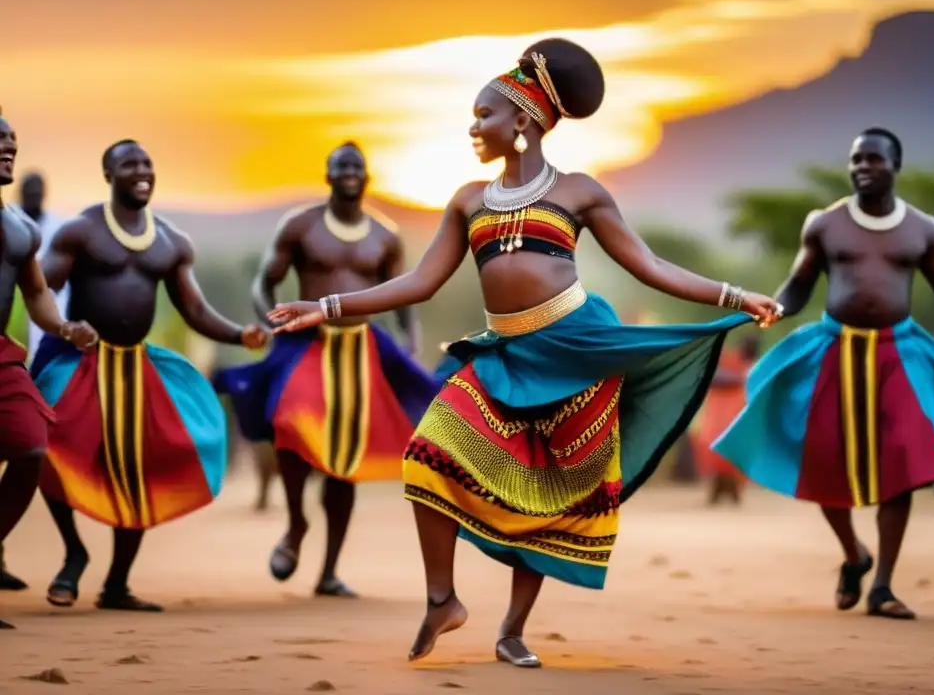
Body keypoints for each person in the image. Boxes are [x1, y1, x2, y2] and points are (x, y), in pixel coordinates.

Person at [268, 38, 782, 666]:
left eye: (484, 114)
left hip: (576, 352)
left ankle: (512, 629)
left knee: (546, 492)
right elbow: (419, 283)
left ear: (524, 120)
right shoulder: (465, 200)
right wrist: (322, 307)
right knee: (427, 452)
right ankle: (441, 600)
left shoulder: (580, 193)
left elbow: (648, 265)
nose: (473, 127)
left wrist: (734, 295)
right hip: (505, 356)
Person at [711, 128, 934, 621]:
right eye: (856, 160)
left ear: (895, 166)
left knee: (900, 466)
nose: (862, 167)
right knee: (824, 457)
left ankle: (884, 587)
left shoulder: (923, 229)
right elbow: (800, 283)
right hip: (834, 349)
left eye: (873, 159)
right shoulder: (825, 225)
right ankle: (855, 555)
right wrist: (774, 308)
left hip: (900, 354)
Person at [30, 139, 267, 612]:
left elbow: (195, 308)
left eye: (147, 164)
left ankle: (117, 584)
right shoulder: (81, 232)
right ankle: (74, 552)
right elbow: (39, 286)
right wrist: (64, 327)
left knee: (145, 465)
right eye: (128, 164)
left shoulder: (171, 242)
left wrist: (240, 334)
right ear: (108, 174)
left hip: (136, 366)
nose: (141, 171)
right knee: (44, 446)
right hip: (80, 362)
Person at [213, 142, 439, 598]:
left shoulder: (385, 235)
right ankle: (296, 525)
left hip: (361, 350)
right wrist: (266, 320)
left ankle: (329, 571)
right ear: (328, 175)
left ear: (367, 177)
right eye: (341, 167)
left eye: (356, 166)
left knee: (345, 461)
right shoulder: (300, 226)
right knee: (291, 424)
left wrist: (409, 337)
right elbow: (266, 280)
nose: (349, 173)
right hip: (306, 344)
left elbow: (402, 294)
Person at [0, 113, 97, 629]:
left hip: (0, 356)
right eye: (0, 140)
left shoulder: (20, 229)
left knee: (32, 445)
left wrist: (63, 328)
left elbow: (37, 293)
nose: (8, 148)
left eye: (12, 141)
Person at [693, 332, 760, 505]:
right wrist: (739, 379)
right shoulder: (727, 359)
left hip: (737, 414)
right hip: (718, 414)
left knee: (736, 451)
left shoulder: (753, 365)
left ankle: (732, 489)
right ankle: (718, 488)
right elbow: (712, 376)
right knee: (715, 448)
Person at [18, 172, 70, 364]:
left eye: (37, 192)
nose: (34, 195)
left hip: (47, 294)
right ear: (20, 193)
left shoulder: (58, 224)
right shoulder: (10, 220)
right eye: (29, 191)